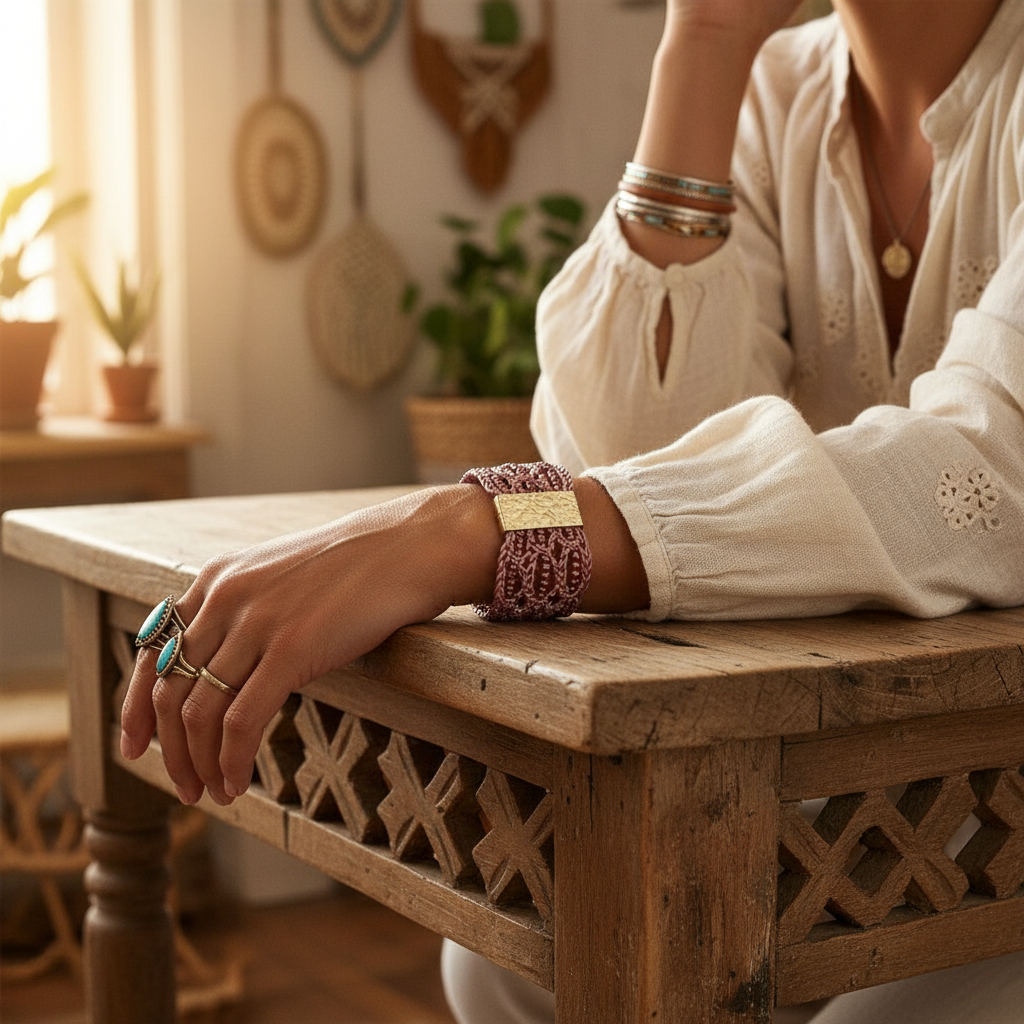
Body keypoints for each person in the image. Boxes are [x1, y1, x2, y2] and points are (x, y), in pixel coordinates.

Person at [121, 0, 1024, 1020]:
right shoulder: (777, 93)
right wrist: (707, 41)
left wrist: (478, 528)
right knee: (515, 957)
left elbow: (989, 471)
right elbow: (629, 450)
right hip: (855, 767)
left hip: (1000, 795)